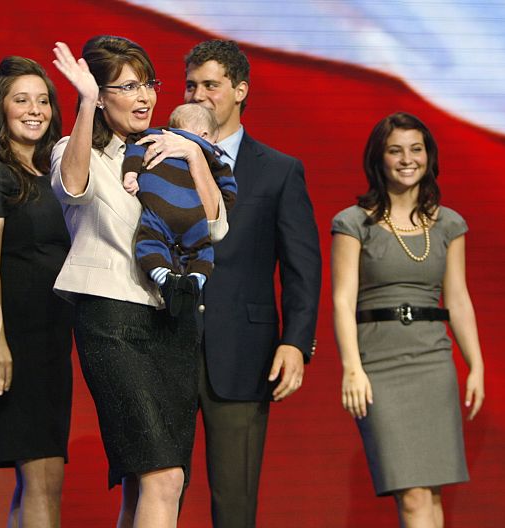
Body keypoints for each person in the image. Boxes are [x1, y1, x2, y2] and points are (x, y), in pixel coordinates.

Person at [51, 36, 229, 528]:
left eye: (148, 82)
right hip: (112, 322)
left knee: (151, 483)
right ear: (101, 95)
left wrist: (193, 155)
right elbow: (73, 186)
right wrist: (85, 105)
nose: (145, 96)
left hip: (172, 322)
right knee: (162, 477)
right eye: (128, 86)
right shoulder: (75, 148)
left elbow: (215, 226)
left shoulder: (167, 150)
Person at [184, 39, 322, 526]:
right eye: (192, 85)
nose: (200, 95)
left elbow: (303, 267)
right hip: (164, 347)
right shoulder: (158, 156)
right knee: (156, 492)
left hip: (244, 351)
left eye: (212, 85)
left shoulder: (279, 171)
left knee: (235, 500)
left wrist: (296, 342)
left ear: (240, 90)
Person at [331, 112, 484, 527]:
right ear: (379, 158)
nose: (406, 159)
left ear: (429, 156)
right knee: (413, 495)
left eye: (415, 149)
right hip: (379, 364)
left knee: (431, 494)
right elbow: (342, 301)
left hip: (433, 363)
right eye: (395, 150)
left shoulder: (449, 223)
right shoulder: (353, 222)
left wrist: (476, 365)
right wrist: (352, 369)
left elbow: (458, 299)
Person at [0, 56, 72, 528]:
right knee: (40, 479)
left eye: (43, 100)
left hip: (50, 340)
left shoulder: (51, 176)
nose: (35, 109)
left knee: (43, 479)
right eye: (21, 99)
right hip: (12, 340)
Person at [122, 103, 237, 316]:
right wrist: (226, 203)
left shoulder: (154, 135)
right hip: (194, 215)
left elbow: (134, 146)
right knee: (202, 250)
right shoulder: (210, 154)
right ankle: (196, 280)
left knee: (149, 242)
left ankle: (164, 277)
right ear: (204, 134)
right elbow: (228, 189)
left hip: (157, 210)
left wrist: (130, 174)